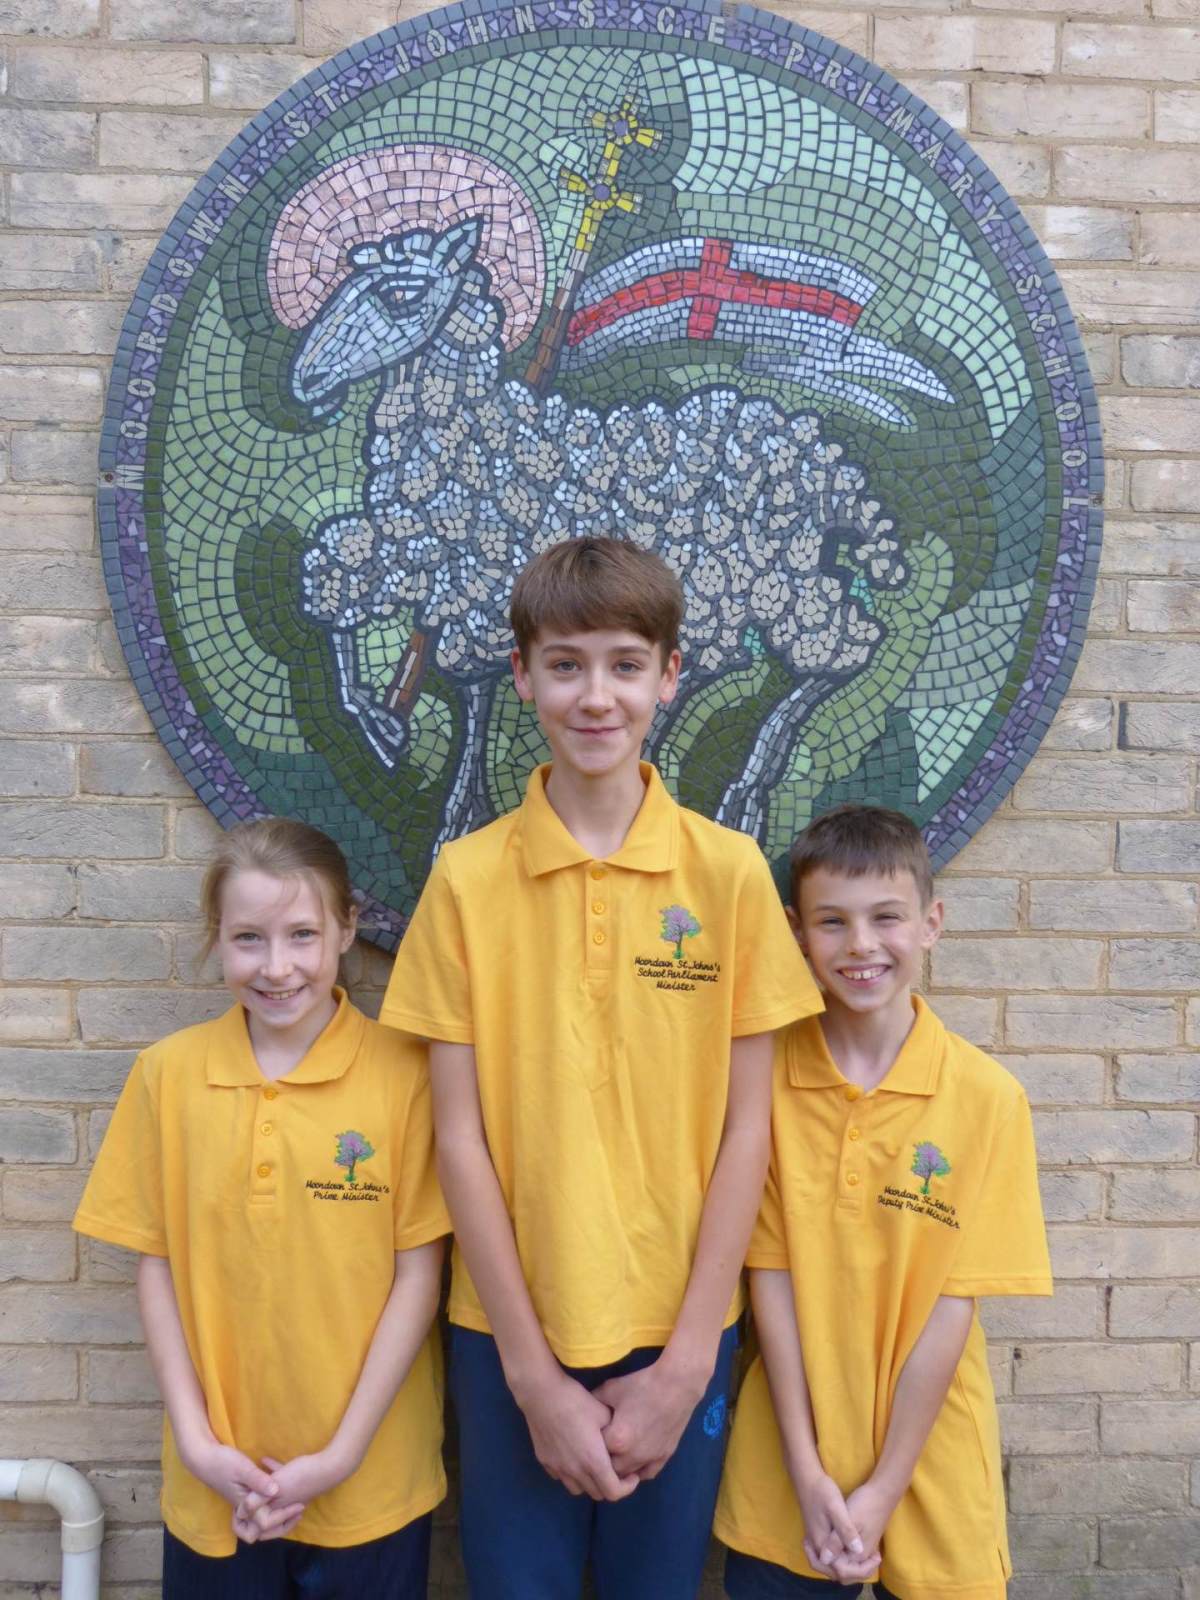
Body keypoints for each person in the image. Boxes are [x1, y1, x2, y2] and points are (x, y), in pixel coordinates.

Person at [380, 536, 823, 1599]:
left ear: (670, 675)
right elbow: (456, 1140)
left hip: (683, 1332)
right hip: (508, 1333)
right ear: (522, 675)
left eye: (626, 664)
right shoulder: (467, 881)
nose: (595, 695)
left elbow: (750, 1130)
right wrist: (532, 1379)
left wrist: (687, 1366)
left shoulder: (729, 877)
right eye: (566, 665)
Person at [74, 818, 449, 1598]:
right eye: (249, 938)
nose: (278, 967)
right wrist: (198, 1445)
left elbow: (419, 1276)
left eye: (302, 934)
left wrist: (341, 1456)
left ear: (347, 928)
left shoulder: (406, 1075)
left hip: (371, 1480)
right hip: (218, 1484)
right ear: (217, 936)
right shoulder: (168, 1076)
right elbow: (156, 1267)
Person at [714, 803, 1052, 1600]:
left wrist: (885, 1487)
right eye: (832, 921)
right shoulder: (762, 1085)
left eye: (886, 917)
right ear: (797, 933)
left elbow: (953, 1307)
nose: (861, 945)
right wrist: (807, 1470)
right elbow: (770, 1282)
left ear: (931, 924)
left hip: (933, 1453)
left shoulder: (987, 1098)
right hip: (790, 1450)